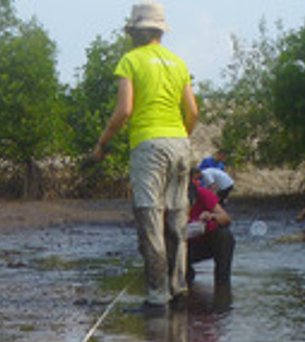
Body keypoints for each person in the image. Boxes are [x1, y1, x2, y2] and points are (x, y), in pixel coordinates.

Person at [91, 2, 198, 311]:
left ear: (136, 32)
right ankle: (178, 289)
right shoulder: (178, 63)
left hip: (148, 145)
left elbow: (124, 110)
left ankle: (156, 295)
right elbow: (192, 112)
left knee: (150, 215)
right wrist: (180, 138)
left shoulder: (130, 60)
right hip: (179, 142)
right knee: (177, 217)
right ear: (160, 31)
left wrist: (101, 144)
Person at [186, 167, 234, 286]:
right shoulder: (167, 199)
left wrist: (211, 216)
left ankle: (222, 284)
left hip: (203, 243)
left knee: (224, 235)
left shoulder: (203, 194)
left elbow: (226, 218)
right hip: (181, 247)